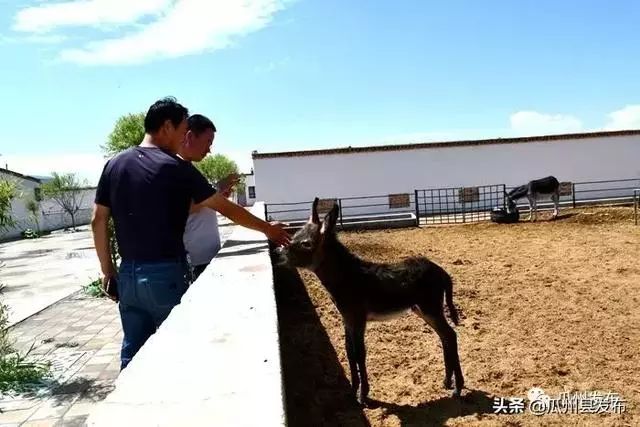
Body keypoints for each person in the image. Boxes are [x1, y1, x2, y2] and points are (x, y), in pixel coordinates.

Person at [91, 97, 290, 370]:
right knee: (176, 353)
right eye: (183, 129)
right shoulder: (175, 167)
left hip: (128, 276)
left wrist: (108, 271)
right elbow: (226, 208)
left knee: (132, 355)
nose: (185, 137)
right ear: (166, 126)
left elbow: (98, 220)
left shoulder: (114, 165)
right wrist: (268, 229)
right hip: (165, 274)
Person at [179, 114, 239, 281]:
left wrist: (215, 197)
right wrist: (215, 194)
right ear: (190, 136)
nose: (209, 149)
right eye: (208, 142)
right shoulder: (176, 170)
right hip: (195, 261)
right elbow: (181, 207)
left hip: (205, 257)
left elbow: (197, 203)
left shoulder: (189, 170)